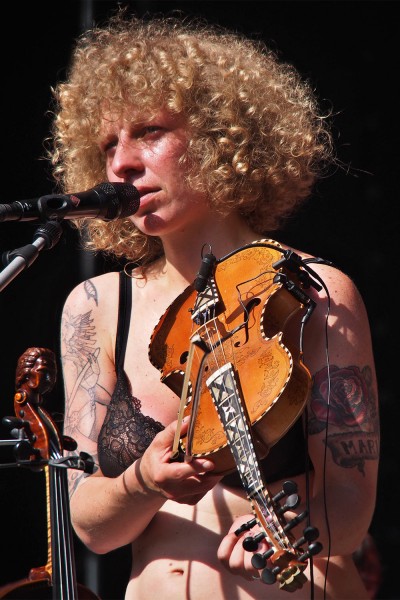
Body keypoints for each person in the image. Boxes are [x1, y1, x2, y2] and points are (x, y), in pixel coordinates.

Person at [53, 11, 380, 600]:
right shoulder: (97, 304)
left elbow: (350, 509)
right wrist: (141, 481)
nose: (122, 162)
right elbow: (90, 525)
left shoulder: (316, 288)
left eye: (149, 131)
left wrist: (290, 528)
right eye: (107, 145)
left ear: (220, 136)